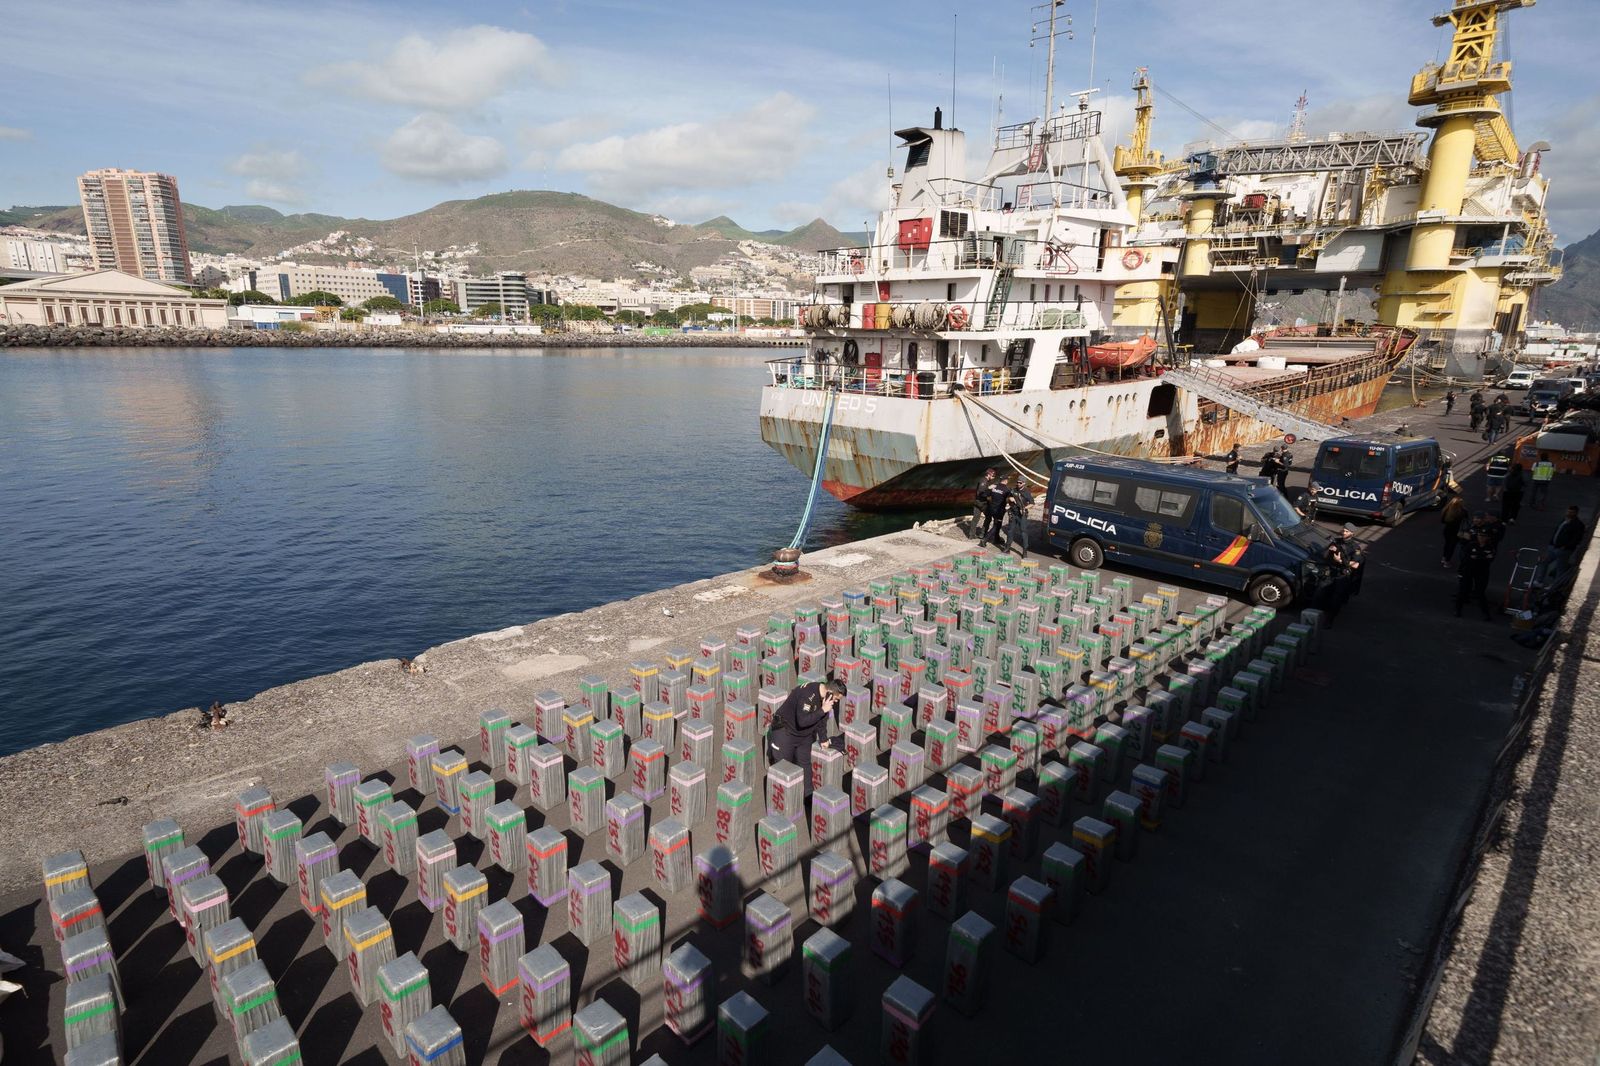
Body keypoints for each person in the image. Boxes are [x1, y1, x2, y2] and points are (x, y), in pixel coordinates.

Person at [768, 677, 845, 772]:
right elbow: (802, 721)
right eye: (836, 698)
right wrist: (822, 710)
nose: (836, 701)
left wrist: (823, 739)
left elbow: (822, 721)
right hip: (786, 731)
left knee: (805, 767)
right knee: (784, 768)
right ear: (829, 692)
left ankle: (807, 787)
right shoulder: (807, 694)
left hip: (804, 735)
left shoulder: (825, 699)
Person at [1454, 529, 1497, 619]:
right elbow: (1466, 557)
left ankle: (1485, 613)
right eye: (1479, 535)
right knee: (1463, 590)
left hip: (1482, 571)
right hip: (1469, 570)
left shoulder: (1490, 547)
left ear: (1487, 538)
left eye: (1483, 536)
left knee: (1480, 592)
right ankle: (1457, 610)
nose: (1481, 538)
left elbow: (1490, 559)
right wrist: (1482, 556)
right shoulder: (1471, 545)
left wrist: (1477, 556)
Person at [1546, 505, 1587, 579]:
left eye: (1571, 512)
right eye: (1568, 511)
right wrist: (1551, 543)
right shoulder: (1564, 520)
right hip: (1554, 547)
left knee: (1560, 568)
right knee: (1544, 562)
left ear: (1576, 513)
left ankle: (1555, 586)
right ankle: (1539, 581)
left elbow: (1577, 539)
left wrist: (1565, 547)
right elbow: (1557, 532)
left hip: (1563, 550)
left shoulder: (1578, 525)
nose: (1569, 513)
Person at [1003, 476, 1035, 556]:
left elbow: (1032, 504)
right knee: (1010, 531)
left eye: (1020, 482)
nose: (1018, 484)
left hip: (1022, 515)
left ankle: (1025, 551)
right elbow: (1006, 499)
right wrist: (1009, 499)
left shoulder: (1026, 492)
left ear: (1024, 483)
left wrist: (1024, 508)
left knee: (1023, 532)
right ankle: (1007, 547)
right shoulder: (1013, 490)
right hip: (1013, 513)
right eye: (1017, 482)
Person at [1441, 489, 1468, 567]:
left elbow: (1443, 521)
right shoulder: (1463, 512)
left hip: (1447, 530)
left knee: (1447, 544)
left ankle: (1444, 557)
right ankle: (1447, 561)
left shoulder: (1446, 510)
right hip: (1457, 531)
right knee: (1452, 546)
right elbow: (1466, 521)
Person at [1337, 525, 1366, 597]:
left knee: (1337, 595)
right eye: (1343, 530)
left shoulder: (1355, 548)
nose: (1344, 533)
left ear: (1352, 533)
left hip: (1344, 574)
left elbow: (1355, 565)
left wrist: (1340, 560)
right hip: (1334, 570)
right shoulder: (1337, 541)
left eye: (1347, 531)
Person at [981, 475, 1011, 546]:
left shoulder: (994, 487)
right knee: (997, 525)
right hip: (999, 510)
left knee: (997, 524)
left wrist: (988, 489)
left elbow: (984, 495)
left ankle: (996, 539)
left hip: (991, 508)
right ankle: (985, 540)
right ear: (1006, 481)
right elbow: (1009, 500)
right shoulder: (1007, 490)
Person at [971, 468, 999, 539]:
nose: (993, 478)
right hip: (982, 503)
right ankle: (982, 534)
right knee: (988, 517)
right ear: (989, 474)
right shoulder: (983, 481)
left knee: (975, 518)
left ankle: (971, 535)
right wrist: (990, 489)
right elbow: (981, 493)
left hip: (977, 502)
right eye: (993, 476)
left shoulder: (984, 481)